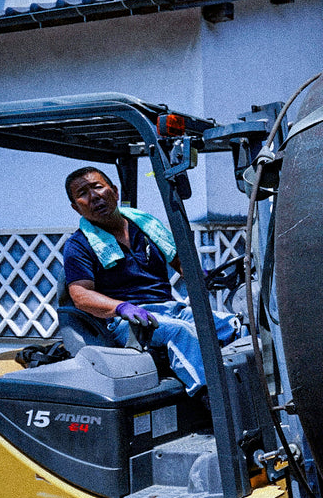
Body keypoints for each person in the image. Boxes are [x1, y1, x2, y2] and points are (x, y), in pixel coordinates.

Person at [61, 166, 241, 397]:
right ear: (76, 207)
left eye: (97, 187)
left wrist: (206, 276)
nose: (94, 196)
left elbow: (180, 262)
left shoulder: (146, 227)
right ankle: (215, 402)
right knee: (182, 333)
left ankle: (249, 390)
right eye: (83, 193)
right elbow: (81, 295)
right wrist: (121, 307)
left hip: (169, 309)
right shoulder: (79, 245)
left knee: (232, 325)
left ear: (114, 191)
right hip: (128, 320)